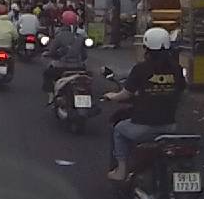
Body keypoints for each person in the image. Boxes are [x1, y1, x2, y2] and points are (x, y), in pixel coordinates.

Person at [102, 26, 187, 181]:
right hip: (170, 126)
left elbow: (126, 94)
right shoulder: (177, 69)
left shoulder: (141, 69)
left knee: (119, 130)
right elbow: (181, 91)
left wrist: (112, 96)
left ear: (146, 48)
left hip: (144, 127)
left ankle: (121, 171)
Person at [42, 10, 88, 102]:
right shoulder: (80, 36)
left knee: (47, 74)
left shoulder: (59, 36)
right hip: (79, 67)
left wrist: (49, 54)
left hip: (61, 67)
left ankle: (51, 96)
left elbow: (52, 51)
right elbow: (84, 55)